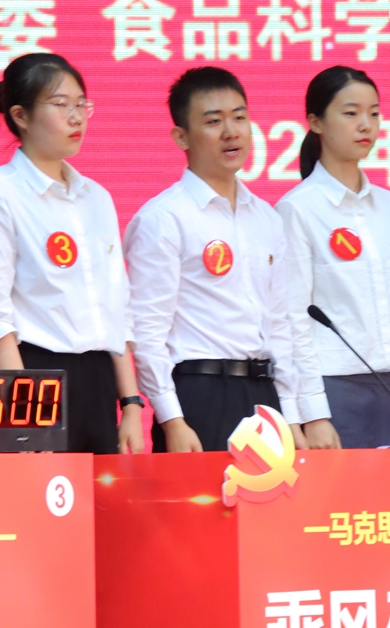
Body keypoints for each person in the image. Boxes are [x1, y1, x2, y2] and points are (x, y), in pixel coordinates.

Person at [0, 53, 144, 454]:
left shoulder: (96, 198)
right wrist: (26, 420)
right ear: (20, 115)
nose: (77, 117)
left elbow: (115, 308)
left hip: (96, 382)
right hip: (28, 376)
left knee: (99, 495)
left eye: (82, 104)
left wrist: (129, 403)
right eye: (61, 104)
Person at [124, 66, 307, 453]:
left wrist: (291, 415)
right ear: (181, 136)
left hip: (264, 394)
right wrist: (172, 420)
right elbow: (148, 333)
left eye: (239, 117)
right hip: (200, 394)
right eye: (213, 121)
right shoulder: (164, 218)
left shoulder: (267, 218)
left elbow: (279, 324)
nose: (231, 132)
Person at [275, 65, 390, 450]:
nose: (366, 124)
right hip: (335, 391)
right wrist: (313, 413)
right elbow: (292, 318)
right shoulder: (297, 209)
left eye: (374, 113)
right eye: (351, 113)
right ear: (315, 122)